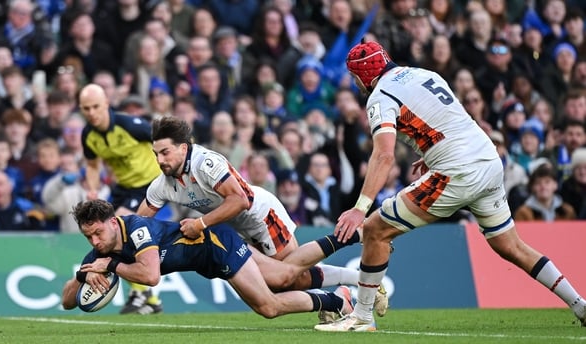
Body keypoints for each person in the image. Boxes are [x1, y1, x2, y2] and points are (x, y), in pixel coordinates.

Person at [315, 40, 586, 332]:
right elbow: (453, 122)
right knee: (511, 246)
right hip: (488, 161)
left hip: (458, 172)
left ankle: (362, 316)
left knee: (375, 229)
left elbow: (383, 154)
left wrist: (360, 208)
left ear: (364, 75)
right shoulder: (425, 74)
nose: (355, 84)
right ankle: (579, 304)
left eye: (356, 78)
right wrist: (431, 157)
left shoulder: (380, 96)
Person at [136, 116, 388, 322]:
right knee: (281, 281)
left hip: (260, 215)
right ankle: (346, 290)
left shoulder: (206, 163)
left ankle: (359, 271)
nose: (160, 160)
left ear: (183, 147)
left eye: (165, 153)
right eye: (156, 154)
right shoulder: (163, 185)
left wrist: (199, 224)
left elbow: (239, 200)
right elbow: (138, 224)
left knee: (289, 278)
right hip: (236, 228)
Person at [61, 199, 354, 320]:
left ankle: (337, 302)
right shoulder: (101, 249)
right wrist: (81, 276)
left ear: (113, 222)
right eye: (89, 238)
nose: (95, 242)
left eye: (98, 233)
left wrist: (111, 266)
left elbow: (150, 276)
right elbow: (67, 301)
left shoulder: (136, 229)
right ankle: (348, 247)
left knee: (268, 306)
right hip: (208, 255)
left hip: (214, 244)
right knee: (284, 276)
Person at [78, 83, 163, 314]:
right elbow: (93, 164)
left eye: (96, 107)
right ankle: (149, 299)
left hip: (150, 185)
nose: (91, 113)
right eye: (86, 108)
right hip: (123, 188)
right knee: (109, 238)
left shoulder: (129, 125)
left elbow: (162, 138)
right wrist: (93, 188)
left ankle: (141, 293)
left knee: (120, 227)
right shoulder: (89, 135)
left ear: (106, 104)